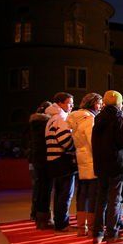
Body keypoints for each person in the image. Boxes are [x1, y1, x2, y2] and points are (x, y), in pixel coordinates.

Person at [91, 90, 123, 244]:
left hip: (100, 164)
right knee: (114, 200)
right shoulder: (117, 119)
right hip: (115, 165)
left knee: (101, 199)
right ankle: (112, 233)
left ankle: (97, 233)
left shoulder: (98, 118)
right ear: (119, 103)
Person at [67, 93, 102, 237]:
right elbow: (93, 142)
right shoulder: (89, 119)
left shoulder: (77, 119)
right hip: (91, 161)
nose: (101, 106)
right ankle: (92, 228)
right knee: (92, 195)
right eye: (99, 103)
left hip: (82, 159)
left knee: (82, 195)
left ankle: (81, 227)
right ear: (93, 104)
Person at [44, 92, 77, 233]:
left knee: (59, 194)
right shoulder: (61, 118)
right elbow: (65, 140)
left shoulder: (52, 118)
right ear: (60, 103)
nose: (72, 106)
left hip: (53, 160)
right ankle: (62, 223)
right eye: (69, 103)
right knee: (65, 194)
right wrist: (75, 148)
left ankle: (59, 222)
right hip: (63, 161)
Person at [28, 101, 53, 230]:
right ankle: (43, 218)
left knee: (38, 187)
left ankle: (36, 215)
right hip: (45, 159)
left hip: (35, 159)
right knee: (45, 188)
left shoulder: (33, 123)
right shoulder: (45, 123)